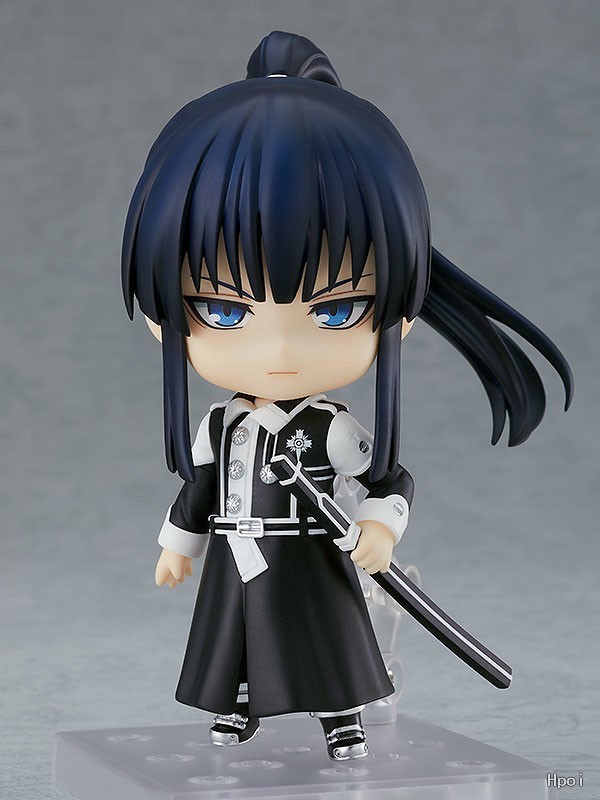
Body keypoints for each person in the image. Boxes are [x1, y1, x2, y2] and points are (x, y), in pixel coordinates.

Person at [121, 31, 573, 760]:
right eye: (224, 310)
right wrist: (179, 544)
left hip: (311, 553)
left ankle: (341, 716)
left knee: (326, 638)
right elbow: (199, 489)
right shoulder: (220, 426)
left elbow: (388, 481)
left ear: (398, 313)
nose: (278, 351)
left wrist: (379, 529)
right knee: (235, 639)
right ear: (160, 315)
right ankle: (238, 708)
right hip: (238, 553)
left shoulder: (330, 429)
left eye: (334, 311)